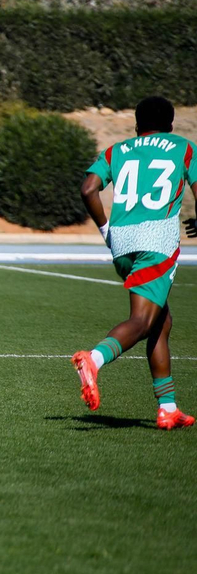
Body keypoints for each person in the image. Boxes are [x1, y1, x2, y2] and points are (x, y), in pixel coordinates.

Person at [72, 95, 197, 428]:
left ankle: (168, 407)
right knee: (142, 321)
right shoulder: (183, 147)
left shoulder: (116, 151)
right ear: (171, 123)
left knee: (161, 322)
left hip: (122, 242)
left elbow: (88, 190)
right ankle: (93, 360)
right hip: (156, 241)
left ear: (137, 124)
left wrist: (106, 231)